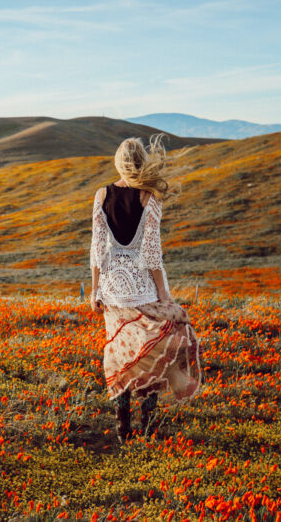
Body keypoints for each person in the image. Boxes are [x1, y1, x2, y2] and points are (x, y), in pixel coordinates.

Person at [89, 135, 202, 443]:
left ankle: (122, 425)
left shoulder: (101, 195)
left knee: (118, 353)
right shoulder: (149, 198)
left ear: (118, 162)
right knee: (154, 351)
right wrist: (164, 294)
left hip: (112, 289)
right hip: (142, 288)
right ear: (142, 163)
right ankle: (147, 423)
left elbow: (97, 248)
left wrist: (95, 290)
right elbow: (152, 253)